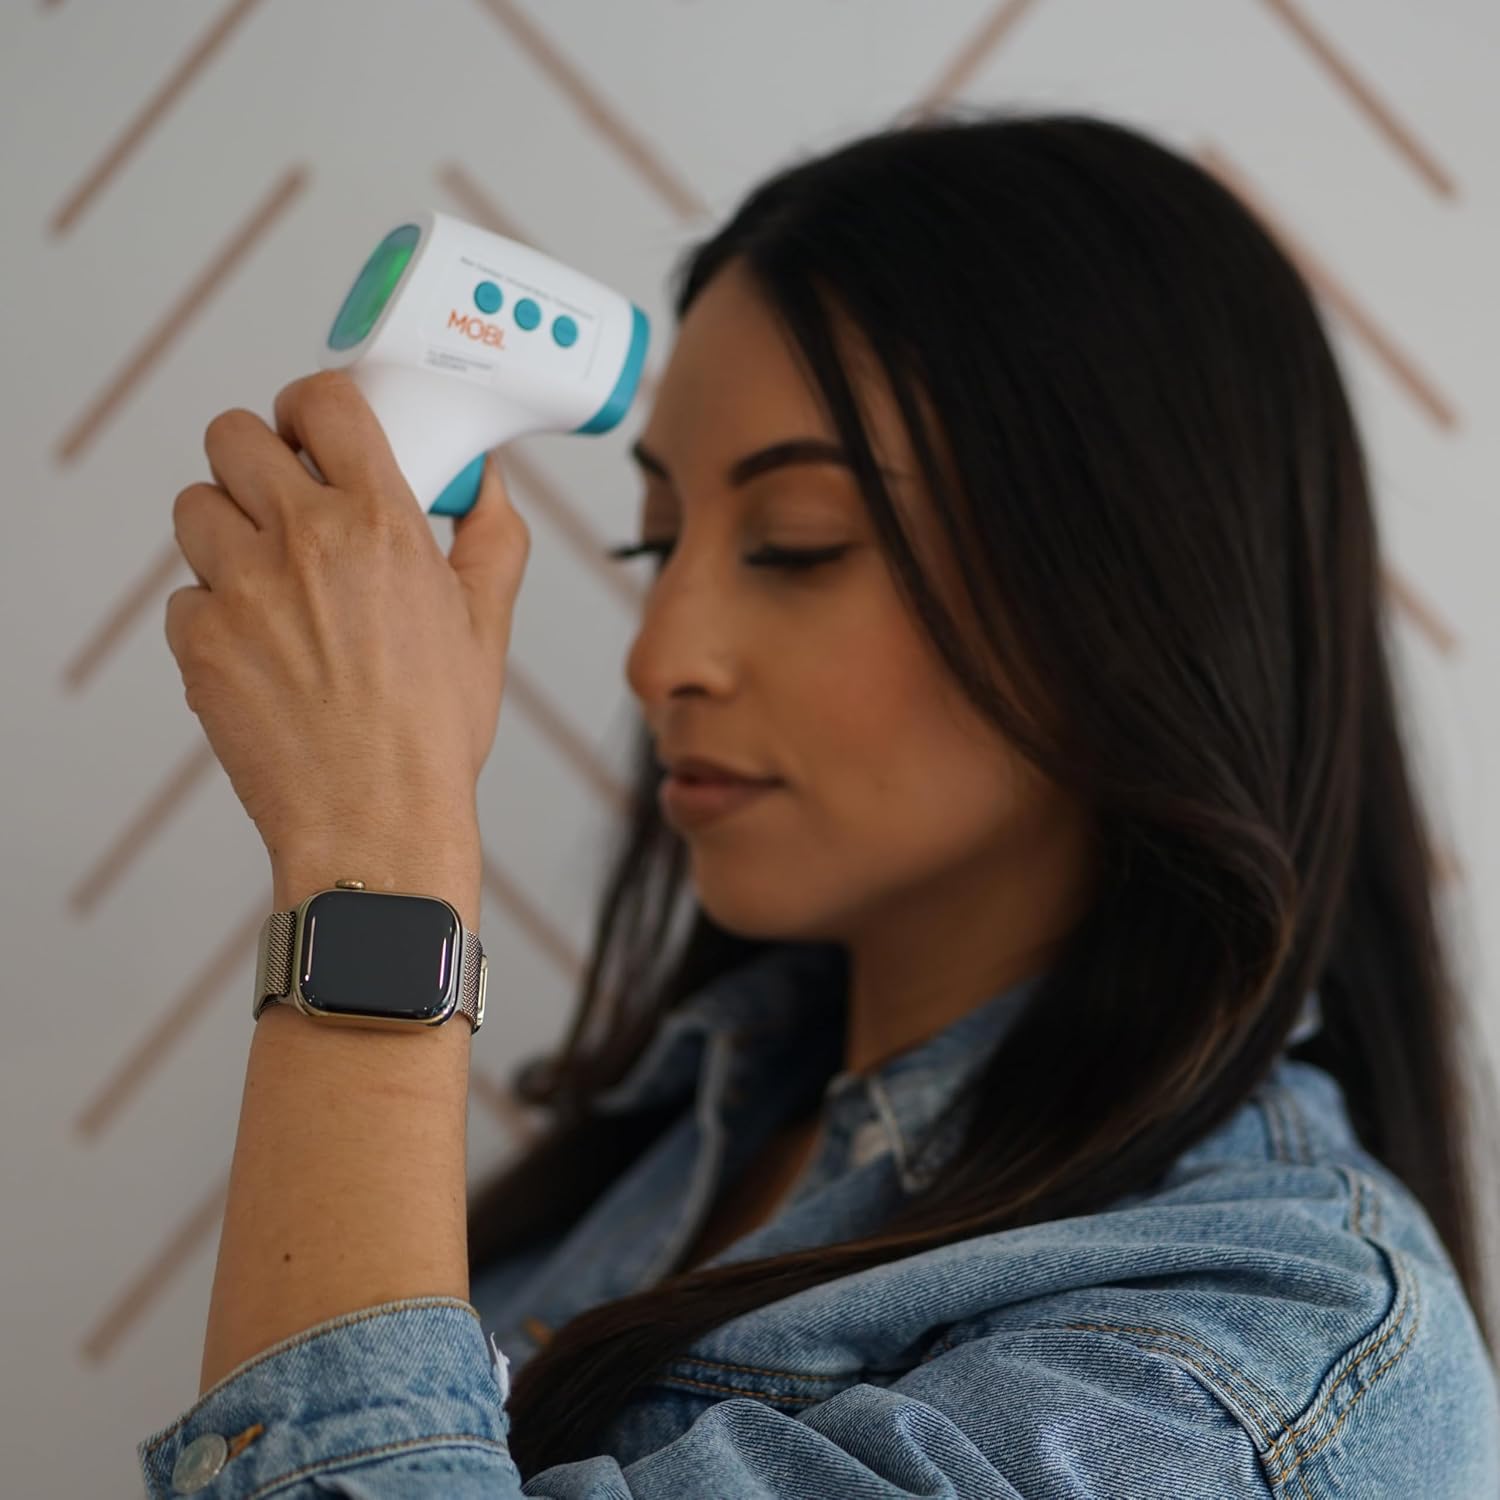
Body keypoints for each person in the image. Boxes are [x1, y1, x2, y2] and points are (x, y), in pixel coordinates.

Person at [142, 109, 1499, 1496]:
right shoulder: (696, 1133)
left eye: (798, 545)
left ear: (1135, 592)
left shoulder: (1246, 1366)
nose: (659, 658)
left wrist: (374, 863)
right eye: (656, 543)